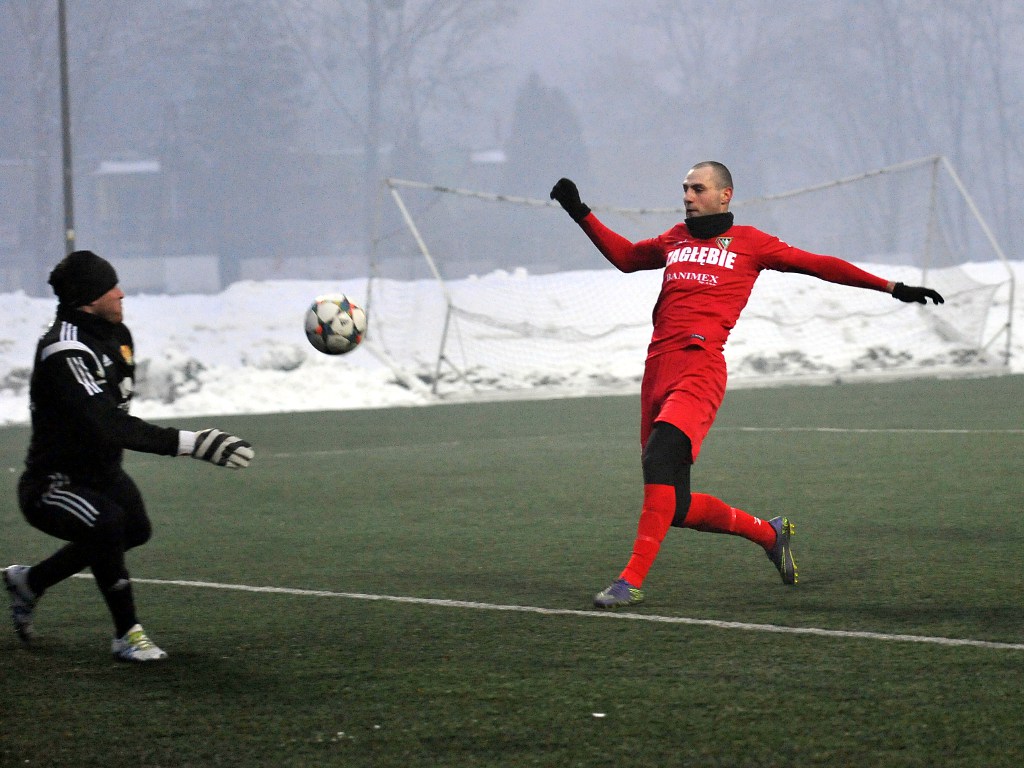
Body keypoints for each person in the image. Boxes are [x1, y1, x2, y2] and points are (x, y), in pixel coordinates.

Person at [550, 162, 944, 608]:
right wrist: (579, 211)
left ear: (725, 195)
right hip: (656, 371)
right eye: (685, 189)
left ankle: (629, 581)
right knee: (675, 507)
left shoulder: (751, 243)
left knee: (660, 457)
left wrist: (892, 287)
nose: (688, 196)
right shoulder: (674, 239)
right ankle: (769, 534)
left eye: (698, 189)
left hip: (700, 369)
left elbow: (818, 265)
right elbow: (625, 259)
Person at [3, 250, 255, 661]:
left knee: (135, 530)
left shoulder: (117, 335)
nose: (121, 293)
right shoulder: (64, 349)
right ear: (88, 299)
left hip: (102, 474)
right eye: (110, 288)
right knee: (106, 525)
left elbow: (113, 416)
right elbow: (107, 423)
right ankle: (126, 634)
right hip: (54, 484)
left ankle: (30, 582)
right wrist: (192, 443)